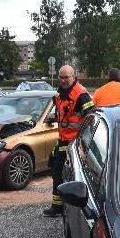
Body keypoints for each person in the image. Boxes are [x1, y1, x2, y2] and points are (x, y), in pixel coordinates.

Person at [43, 65, 95, 217]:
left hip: (76, 144)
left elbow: (91, 117)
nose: (63, 80)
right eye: (61, 77)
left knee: (75, 175)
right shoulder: (61, 95)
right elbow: (65, 115)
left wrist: (82, 141)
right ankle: (59, 206)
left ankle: (69, 208)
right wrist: (53, 118)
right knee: (56, 171)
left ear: (74, 77)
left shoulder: (80, 95)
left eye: (66, 77)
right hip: (63, 141)